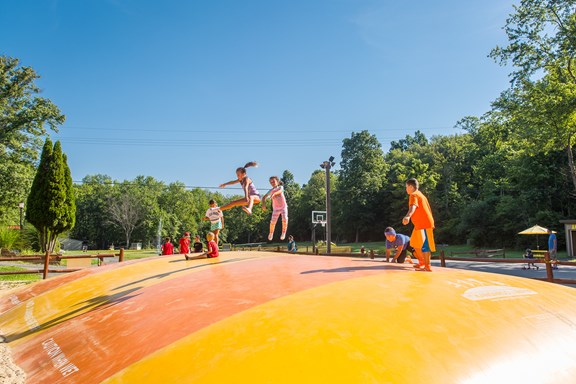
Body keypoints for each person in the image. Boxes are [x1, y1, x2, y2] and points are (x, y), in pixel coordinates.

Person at [402, 178, 435, 272]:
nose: (406, 189)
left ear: (411, 187)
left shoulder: (414, 195)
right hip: (418, 226)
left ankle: (427, 267)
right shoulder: (420, 194)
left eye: (406, 187)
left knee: (425, 245)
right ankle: (422, 261)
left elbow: (413, 206)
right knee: (414, 244)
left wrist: (407, 216)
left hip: (424, 224)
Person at [262, 176, 288, 241]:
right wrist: (263, 204)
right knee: (273, 222)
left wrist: (274, 194)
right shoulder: (270, 191)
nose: (272, 183)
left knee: (285, 219)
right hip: (276, 209)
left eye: (273, 181)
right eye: (271, 182)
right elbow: (264, 197)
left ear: (278, 182)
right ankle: (271, 233)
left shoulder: (280, 187)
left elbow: (280, 191)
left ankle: (283, 232)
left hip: (283, 207)